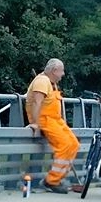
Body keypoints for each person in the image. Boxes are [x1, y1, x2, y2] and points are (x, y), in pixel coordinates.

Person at [25, 58, 79, 193]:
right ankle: (51, 181)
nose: (63, 74)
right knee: (64, 145)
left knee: (74, 144)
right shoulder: (42, 81)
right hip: (46, 120)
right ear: (54, 71)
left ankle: (58, 178)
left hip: (55, 119)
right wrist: (35, 124)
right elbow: (37, 103)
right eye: (61, 71)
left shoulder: (51, 82)